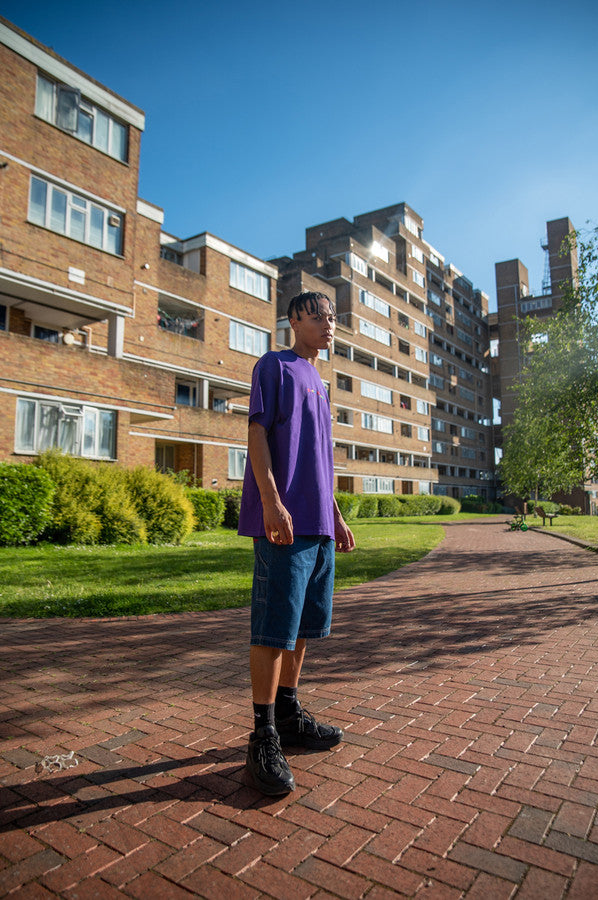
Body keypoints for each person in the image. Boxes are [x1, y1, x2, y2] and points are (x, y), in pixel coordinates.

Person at [238, 290, 355, 795]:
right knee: (273, 626)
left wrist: (337, 514)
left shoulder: (321, 383)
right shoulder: (275, 367)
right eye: (320, 317)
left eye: (332, 318)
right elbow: (257, 435)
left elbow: (320, 462)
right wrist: (270, 501)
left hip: (319, 524)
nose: (329, 325)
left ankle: (288, 713)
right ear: (294, 320)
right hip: (283, 521)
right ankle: (262, 733)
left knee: (303, 625)